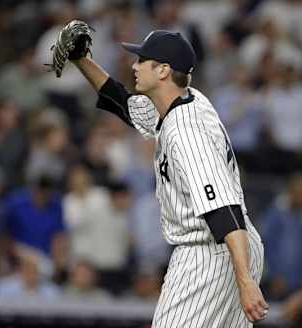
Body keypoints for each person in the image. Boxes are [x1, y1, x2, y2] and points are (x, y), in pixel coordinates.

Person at [62, 28, 268, 326]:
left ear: (163, 70)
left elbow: (224, 210)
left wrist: (245, 281)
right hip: (235, 248)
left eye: (142, 60)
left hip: (212, 252)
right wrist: (81, 60)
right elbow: (122, 102)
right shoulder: (185, 99)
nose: (134, 65)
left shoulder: (186, 132)